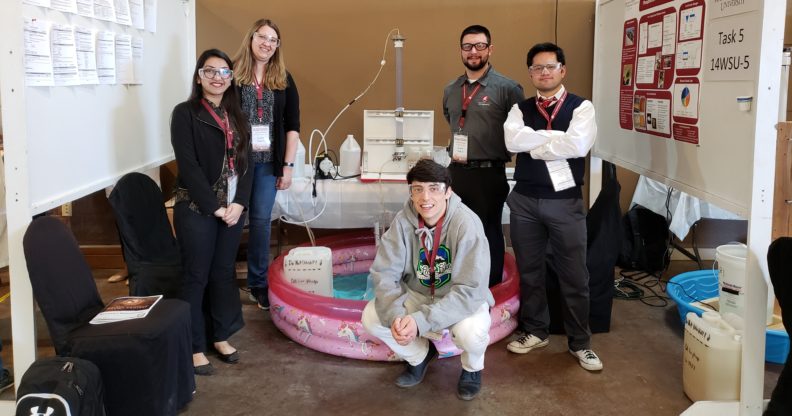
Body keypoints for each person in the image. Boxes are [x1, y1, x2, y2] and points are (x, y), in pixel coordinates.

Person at [503, 42, 602, 371]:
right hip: (525, 201)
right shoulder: (520, 107)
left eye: (550, 67)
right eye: (537, 68)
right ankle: (535, 330)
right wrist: (553, 141)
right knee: (530, 272)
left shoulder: (581, 107)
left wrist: (536, 142)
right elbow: (512, 141)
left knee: (574, 274)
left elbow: (577, 145)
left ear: (562, 70)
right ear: (530, 73)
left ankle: (580, 342)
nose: (543, 73)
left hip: (565, 202)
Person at [361, 159, 494, 401]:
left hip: (459, 297)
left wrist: (421, 321)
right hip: (418, 293)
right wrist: (397, 317)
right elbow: (384, 274)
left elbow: (470, 289)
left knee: (471, 333)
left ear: (448, 191)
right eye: (417, 189)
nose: (425, 197)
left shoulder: (467, 224)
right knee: (371, 317)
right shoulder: (403, 222)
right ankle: (420, 356)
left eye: (434, 188)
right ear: (410, 192)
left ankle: (472, 369)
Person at [171, 48, 252, 375]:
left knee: (222, 273)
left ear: (231, 78)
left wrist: (239, 204)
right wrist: (216, 208)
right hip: (197, 208)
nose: (218, 77)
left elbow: (246, 164)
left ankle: (220, 335)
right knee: (196, 276)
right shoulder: (185, 113)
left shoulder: (238, 114)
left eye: (224, 72)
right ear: (199, 76)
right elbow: (187, 167)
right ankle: (193, 346)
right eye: (210, 71)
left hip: (232, 208)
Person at [442, 24, 524, 287]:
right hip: (457, 173)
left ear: (490, 49)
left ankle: (491, 290)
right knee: (457, 232)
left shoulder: (508, 88)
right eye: (468, 46)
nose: (473, 51)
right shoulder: (452, 89)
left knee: (488, 233)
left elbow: (519, 132)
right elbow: (451, 120)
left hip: (489, 174)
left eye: (479, 45)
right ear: (460, 51)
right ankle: (460, 287)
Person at [233, 19, 301, 311]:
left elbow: (293, 127)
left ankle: (258, 284)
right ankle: (222, 281)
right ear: (251, 39)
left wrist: (287, 167)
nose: (267, 43)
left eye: (273, 40)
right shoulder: (232, 75)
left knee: (261, 223)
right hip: (237, 164)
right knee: (231, 221)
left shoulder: (284, 79)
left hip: (266, 166)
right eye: (263, 37)